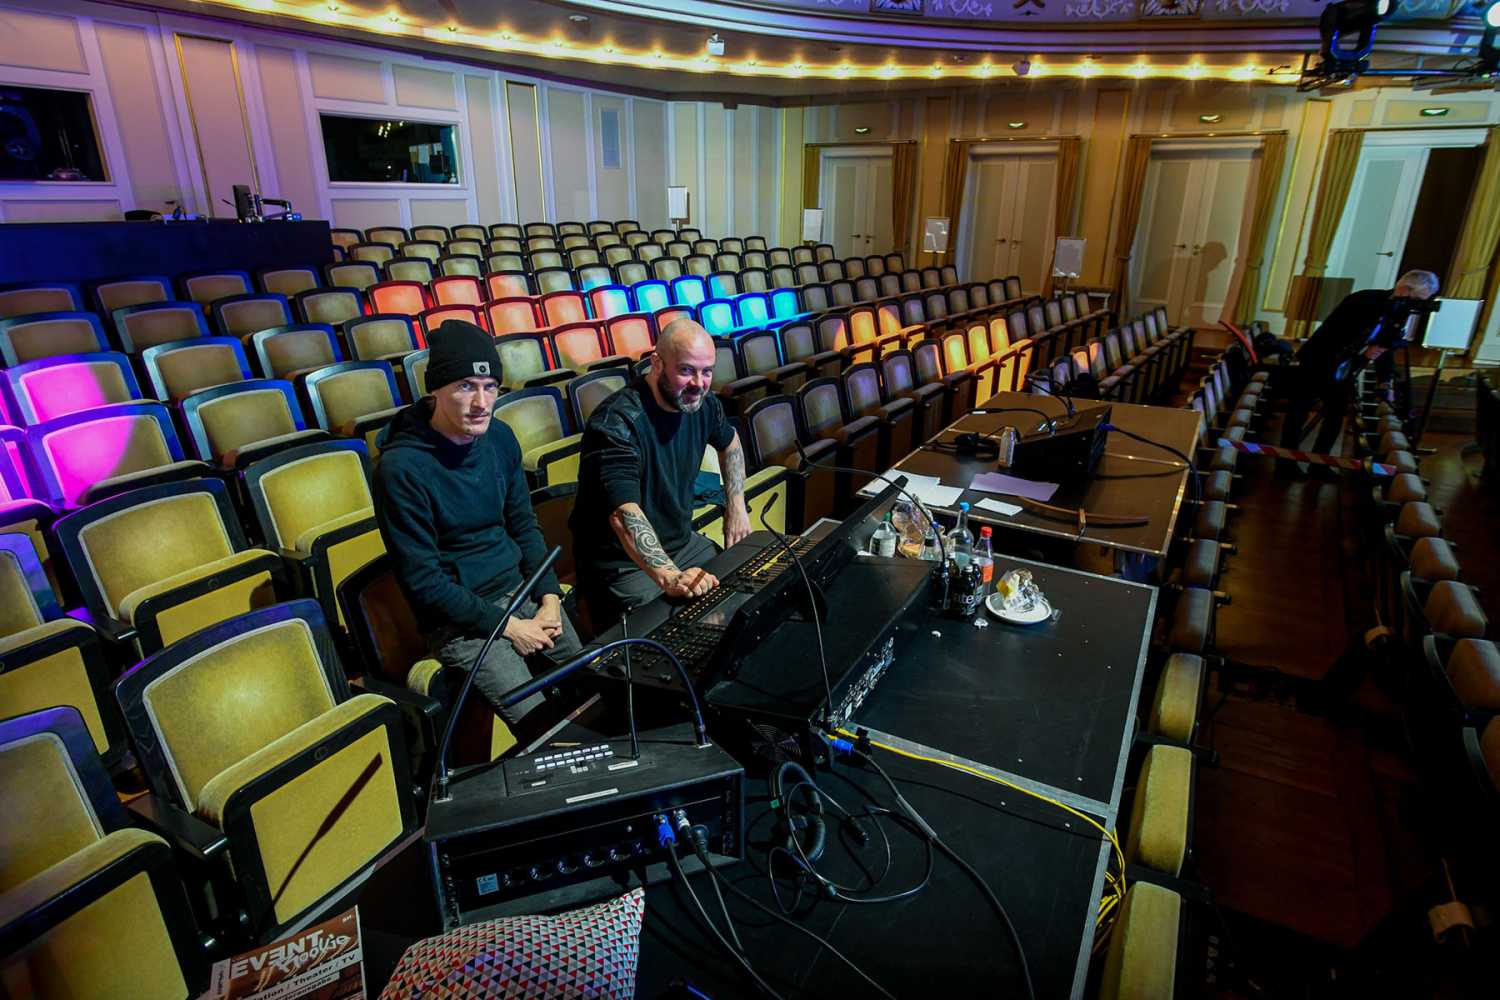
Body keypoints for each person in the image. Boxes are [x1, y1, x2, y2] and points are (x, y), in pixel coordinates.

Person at [373, 319, 583, 737]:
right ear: (435, 390)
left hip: (522, 593)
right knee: (546, 731)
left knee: (597, 685)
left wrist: (549, 598)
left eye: (491, 388)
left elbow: (524, 526)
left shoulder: (500, 438)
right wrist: (509, 627)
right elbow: (425, 583)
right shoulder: (399, 469)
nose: (481, 402)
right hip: (461, 623)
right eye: (465, 386)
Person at [571, 319, 751, 623]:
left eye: (707, 371)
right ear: (656, 364)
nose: (699, 383)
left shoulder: (703, 404)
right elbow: (623, 515)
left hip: (682, 542)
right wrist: (670, 577)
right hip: (622, 563)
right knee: (674, 626)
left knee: (739, 591)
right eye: (686, 370)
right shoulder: (616, 422)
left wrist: (735, 505)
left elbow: (730, 444)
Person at [1279, 269, 1439, 464]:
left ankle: (1320, 463)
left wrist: (1384, 381)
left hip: (1347, 366)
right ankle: (1285, 462)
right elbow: (1337, 336)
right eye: (1417, 299)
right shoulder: (1364, 300)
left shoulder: (1398, 311)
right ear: (1404, 289)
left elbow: (1385, 346)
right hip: (1319, 359)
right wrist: (1364, 352)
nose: (1417, 306)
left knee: (1335, 416)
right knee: (1299, 411)